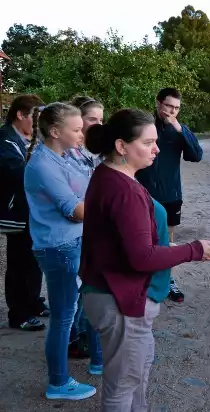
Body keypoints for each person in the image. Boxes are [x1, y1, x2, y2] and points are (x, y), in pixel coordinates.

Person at [80, 108, 210, 410]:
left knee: (135, 377)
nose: (156, 148)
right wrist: (192, 250)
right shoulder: (122, 188)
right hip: (119, 299)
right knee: (121, 387)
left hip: (115, 294)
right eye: (147, 142)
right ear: (121, 146)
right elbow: (141, 257)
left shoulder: (111, 176)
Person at [23, 103, 97, 400]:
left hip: (73, 241)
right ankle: (58, 382)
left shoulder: (64, 156)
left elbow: (86, 192)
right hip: (60, 247)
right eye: (77, 129)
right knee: (63, 316)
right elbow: (76, 209)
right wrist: (105, 206)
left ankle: (82, 365)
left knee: (77, 308)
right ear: (55, 132)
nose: (82, 134)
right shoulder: (43, 164)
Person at [136, 87, 204, 303]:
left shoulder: (179, 130)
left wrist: (180, 129)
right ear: (158, 104)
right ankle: (141, 281)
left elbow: (196, 156)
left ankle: (167, 281)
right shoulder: (144, 126)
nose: (172, 111)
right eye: (168, 106)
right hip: (143, 192)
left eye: (176, 108)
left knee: (166, 241)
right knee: (141, 239)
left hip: (171, 194)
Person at [0, 94, 49, 332]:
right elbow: (19, 174)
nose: (36, 123)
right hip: (16, 211)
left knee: (35, 259)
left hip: (33, 210)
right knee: (19, 262)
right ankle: (18, 313)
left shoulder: (29, 138)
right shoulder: (5, 140)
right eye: (34, 117)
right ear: (20, 115)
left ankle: (33, 302)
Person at [65, 96, 104, 360]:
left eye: (102, 119)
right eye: (93, 119)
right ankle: (73, 338)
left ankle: (81, 333)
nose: (98, 124)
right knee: (77, 286)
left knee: (86, 284)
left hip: (89, 226)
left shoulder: (91, 150)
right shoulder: (70, 152)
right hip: (76, 227)